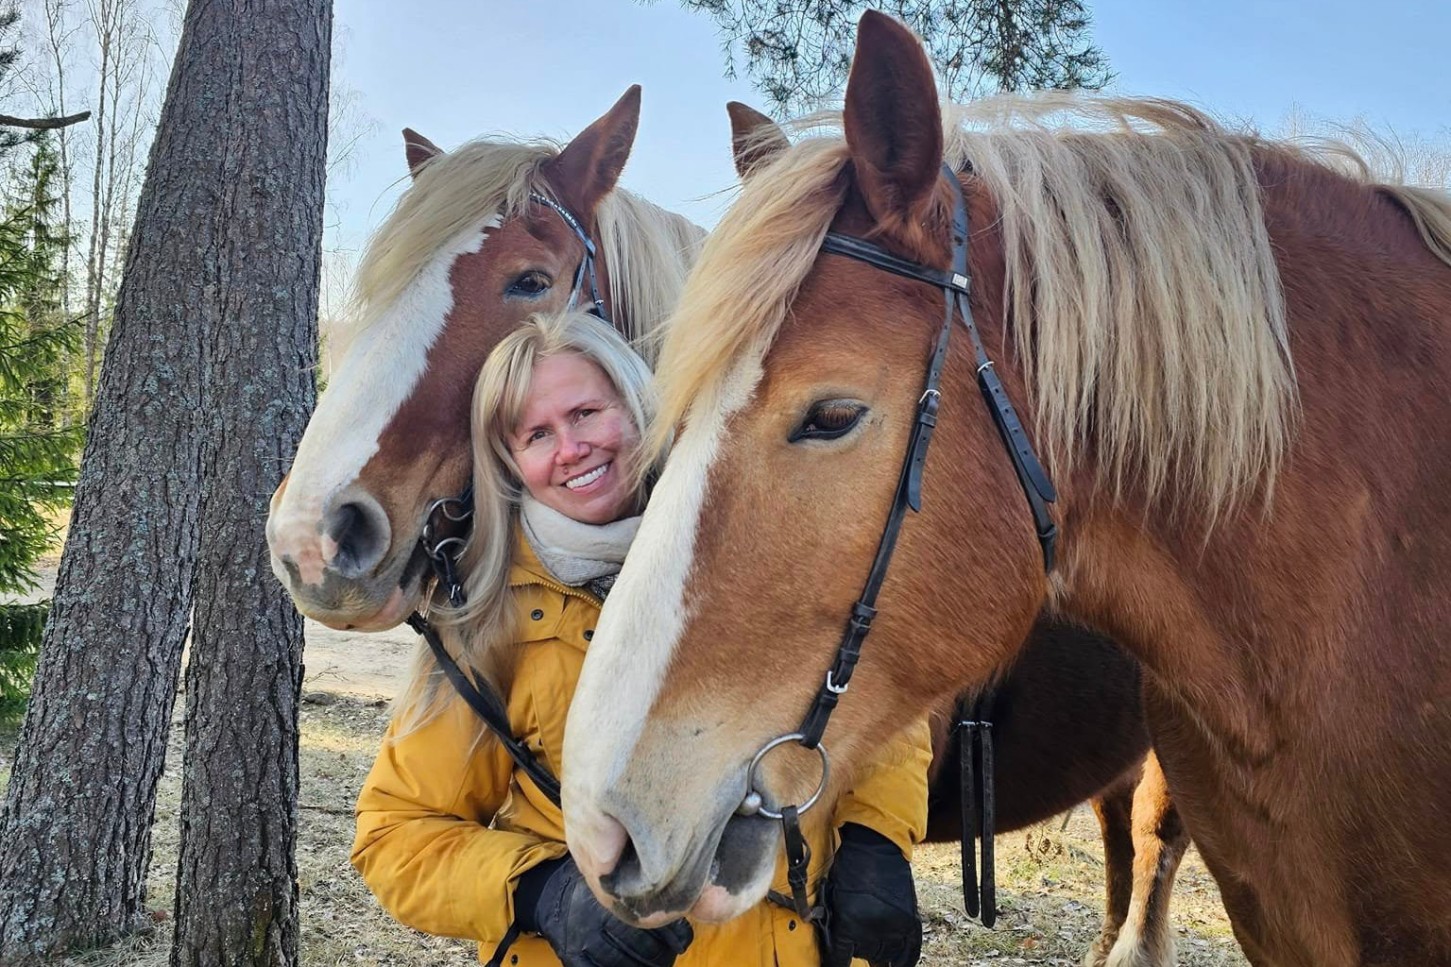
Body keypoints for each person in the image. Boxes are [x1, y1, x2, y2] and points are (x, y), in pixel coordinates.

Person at [351, 308, 933, 967]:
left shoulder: (760, 549)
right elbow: (396, 834)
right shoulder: (486, 618)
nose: (570, 448)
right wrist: (545, 895)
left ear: (636, 407)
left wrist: (876, 841)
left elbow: (865, 700)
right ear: (510, 463)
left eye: (585, 413)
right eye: (536, 434)